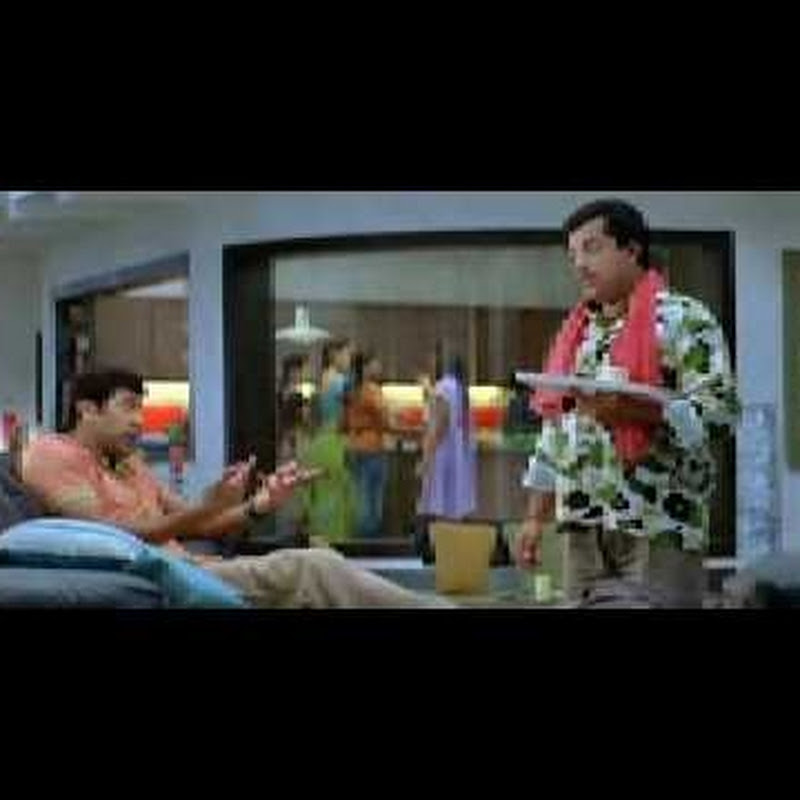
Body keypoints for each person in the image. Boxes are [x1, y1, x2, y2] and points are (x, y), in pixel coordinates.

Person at [20, 369, 450, 608]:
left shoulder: (128, 463)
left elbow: (194, 523)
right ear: (87, 410)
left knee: (321, 567)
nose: (139, 421)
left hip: (192, 566)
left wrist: (257, 505)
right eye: (129, 408)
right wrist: (208, 505)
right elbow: (112, 537)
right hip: (161, 578)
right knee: (312, 568)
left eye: (141, 408)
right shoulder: (54, 454)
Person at [516, 199, 739, 608]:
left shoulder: (685, 320)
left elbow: (722, 415)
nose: (580, 265)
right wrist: (534, 517)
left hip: (658, 529)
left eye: (592, 248)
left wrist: (634, 412)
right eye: (573, 255)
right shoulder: (578, 333)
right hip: (582, 530)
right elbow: (556, 431)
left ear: (632, 250)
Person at [416, 344, 477, 554]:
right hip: (458, 456)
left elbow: (439, 425)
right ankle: (454, 554)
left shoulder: (443, 388)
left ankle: (441, 553)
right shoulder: (459, 387)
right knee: (454, 509)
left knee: (440, 507)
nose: (429, 363)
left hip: (443, 457)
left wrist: (426, 458)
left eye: (433, 359)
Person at [299, 338, 357, 543]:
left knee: (322, 490)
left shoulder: (323, 379)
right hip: (335, 441)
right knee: (339, 491)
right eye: (347, 354)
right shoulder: (341, 382)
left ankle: (321, 537)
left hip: (321, 440)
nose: (350, 359)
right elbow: (349, 414)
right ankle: (336, 540)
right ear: (334, 354)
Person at [345, 351, 390, 538]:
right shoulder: (372, 390)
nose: (379, 367)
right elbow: (384, 418)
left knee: (360, 495)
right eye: (375, 364)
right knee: (373, 500)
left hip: (354, 445)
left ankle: (359, 540)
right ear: (365, 367)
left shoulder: (351, 389)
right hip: (372, 447)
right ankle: (369, 539)